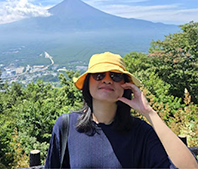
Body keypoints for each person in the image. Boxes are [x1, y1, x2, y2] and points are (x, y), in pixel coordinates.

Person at [45, 52, 198, 169]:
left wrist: (148, 112)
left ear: (125, 85)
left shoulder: (140, 133)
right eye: (99, 75)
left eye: (115, 76)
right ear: (87, 83)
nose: (107, 80)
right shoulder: (67, 126)